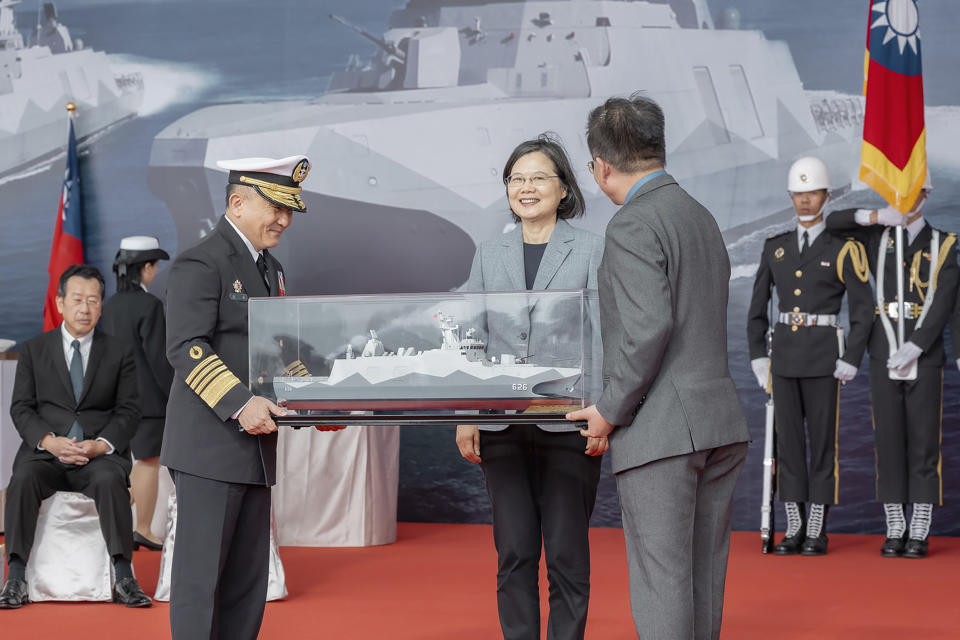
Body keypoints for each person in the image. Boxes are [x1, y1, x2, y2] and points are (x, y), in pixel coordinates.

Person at [567, 95, 750, 640]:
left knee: (663, 581)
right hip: (718, 421)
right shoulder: (699, 214)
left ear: (600, 166)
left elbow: (649, 330)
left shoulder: (631, 226)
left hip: (662, 431)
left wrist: (608, 410)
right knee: (701, 577)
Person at [455, 134, 606, 640]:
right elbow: (471, 335)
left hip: (569, 421)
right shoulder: (488, 252)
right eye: (516, 178)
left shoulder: (591, 249)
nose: (526, 187)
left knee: (566, 554)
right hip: (502, 423)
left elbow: (607, 334)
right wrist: (466, 416)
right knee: (514, 551)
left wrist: (604, 409)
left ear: (563, 188)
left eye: (538, 176)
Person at [161, 155, 315, 639]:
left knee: (247, 585)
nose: (284, 220)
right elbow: (186, 347)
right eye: (276, 208)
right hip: (210, 446)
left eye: (290, 211)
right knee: (201, 581)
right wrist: (238, 403)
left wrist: (316, 400)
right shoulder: (201, 262)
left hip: (256, 448)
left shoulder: (272, 269)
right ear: (237, 202)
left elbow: (279, 348)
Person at [0, 264, 151, 608]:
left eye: (93, 301)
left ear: (101, 306)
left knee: (112, 479)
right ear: (60, 303)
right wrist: (50, 441)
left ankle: (124, 576)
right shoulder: (34, 350)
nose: (85, 308)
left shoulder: (119, 352)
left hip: (96, 456)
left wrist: (101, 445)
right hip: (46, 456)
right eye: (78, 299)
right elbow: (21, 408)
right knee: (22, 477)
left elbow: (129, 410)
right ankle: (16, 577)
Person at [746, 157, 873, 556]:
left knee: (821, 444)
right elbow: (757, 310)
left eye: (812, 192)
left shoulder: (843, 249)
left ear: (826, 195)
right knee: (786, 446)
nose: (804, 200)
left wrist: (851, 356)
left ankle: (817, 525)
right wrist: (757, 358)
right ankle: (794, 525)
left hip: (823, 360)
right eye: (798, 194)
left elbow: (864, 309)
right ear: (791, 197)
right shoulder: (776, 247)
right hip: (782, 359)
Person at [825, 175, 958, 558]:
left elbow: (945, 299)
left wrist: (917, 344)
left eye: (913, 191)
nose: (906, 199)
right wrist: (874, 215)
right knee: (888, 441)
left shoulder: (944, 244)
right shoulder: (877, 238)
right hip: (884, 353)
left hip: (925, 356)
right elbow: (833, 223)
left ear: (927, 195)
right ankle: (894, 523)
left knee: (923, 442)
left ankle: (919, 524)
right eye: (898, 192)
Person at [100, 235, 173, 552]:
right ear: (145, 267)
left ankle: (120, 526)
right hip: (148, 402)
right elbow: (159, 359)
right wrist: (175, 395)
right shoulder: (149, 305)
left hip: (117, 399)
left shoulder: (110, 306)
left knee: (129, 464)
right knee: (147, 462)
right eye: (154, 265)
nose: (155, 271)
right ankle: (142, 529)